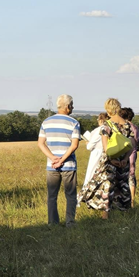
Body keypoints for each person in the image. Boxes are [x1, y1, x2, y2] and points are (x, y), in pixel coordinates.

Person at [77, 98, 132, 220]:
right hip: (124, 160)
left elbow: (106, 147)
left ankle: (105, 214)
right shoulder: (127, 125)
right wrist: (125, 159)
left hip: (109, 161)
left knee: (106, 186)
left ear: (107, 109)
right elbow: (131, 145)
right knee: (123, 185)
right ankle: (126, 212)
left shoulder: (106, 126)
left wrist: (112, 160)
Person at [38, 94, 81, 226]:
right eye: (72, 105)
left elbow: (41, 143)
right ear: (68, 107)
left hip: (51, 165)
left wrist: (52, 158)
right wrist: (62, 159)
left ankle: (52, 223)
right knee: (70, 195)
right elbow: (74, 145)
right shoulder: (74, 123)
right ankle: (70, 222)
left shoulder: (46, 122)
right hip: (69, 164)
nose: (72, 107)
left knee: (52, 196)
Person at [120, 107, 139, 207]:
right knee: (131, 177)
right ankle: (132, 201)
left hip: (121, 154)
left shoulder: (121, 127)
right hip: (132, 155)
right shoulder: (135, 128)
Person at [82, 113, 108, 190]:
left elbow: (89, 146)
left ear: (100, 120)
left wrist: (87, 143)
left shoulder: (99, 130)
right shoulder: (110, 128)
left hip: (97, 154)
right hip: (107, 153)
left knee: (91, 174)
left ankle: (87, 191)